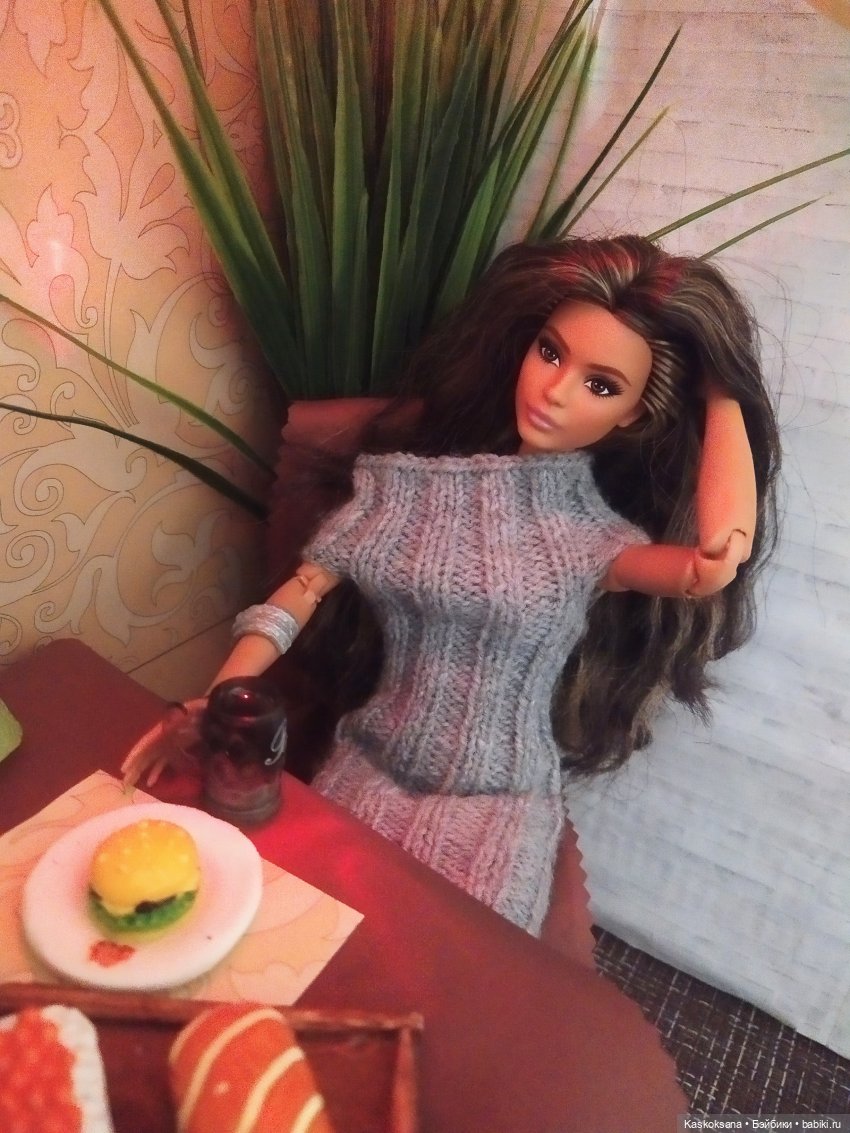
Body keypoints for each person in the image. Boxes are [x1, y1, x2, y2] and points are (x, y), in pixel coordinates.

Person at [123, 235, 781, 950]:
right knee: (294, 934)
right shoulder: (404, 495)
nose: (556, 390)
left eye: (601, 385)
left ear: (633, 415)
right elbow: (299, 593)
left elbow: (711, 564)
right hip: (373, 760)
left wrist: (721, 393)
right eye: (551, 353)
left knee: (460, 963)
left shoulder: (593, 540)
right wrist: (217, 700)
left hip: (502, 798)